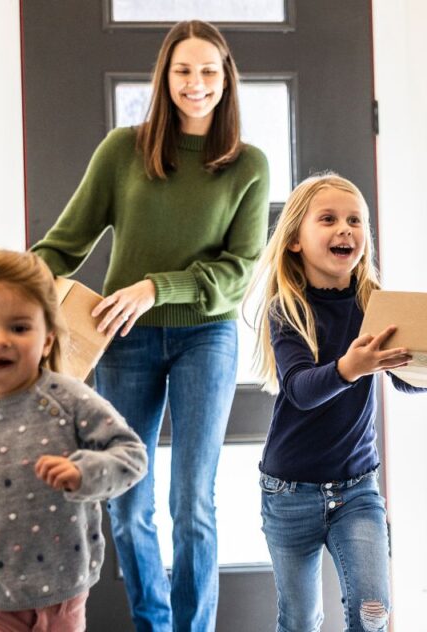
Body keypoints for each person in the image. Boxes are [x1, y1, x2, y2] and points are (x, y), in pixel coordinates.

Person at [30, 19, 270, 632]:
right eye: (183, 70)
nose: (196, 83)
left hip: (205, 336)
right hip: (125, 340)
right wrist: (13, 293)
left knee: (192, 502)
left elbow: (238, 270)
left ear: (226, 80)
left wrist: (155, 287)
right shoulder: (122, 151)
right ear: (164, 77)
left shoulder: (247, 165)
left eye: (208, 71)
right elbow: (63, 245)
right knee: (129, 501)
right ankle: (154, 625)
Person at [251, 173, 427, 632]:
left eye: (356, 220)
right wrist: (348, 367)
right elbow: (299, 388)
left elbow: (398, 373)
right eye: (328, 219)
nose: (345, 229)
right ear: (295, 239)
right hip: (289, 493)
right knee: (300, 620)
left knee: (374, 612)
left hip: (357, 490)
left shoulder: (374, 303)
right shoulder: (287, 309)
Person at [0, 248, 148, 632]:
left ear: (48, 338)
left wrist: (83, 472)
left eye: (19, 328)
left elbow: (132, 456)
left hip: (61, 595)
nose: (0, 340)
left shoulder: (68, 399)